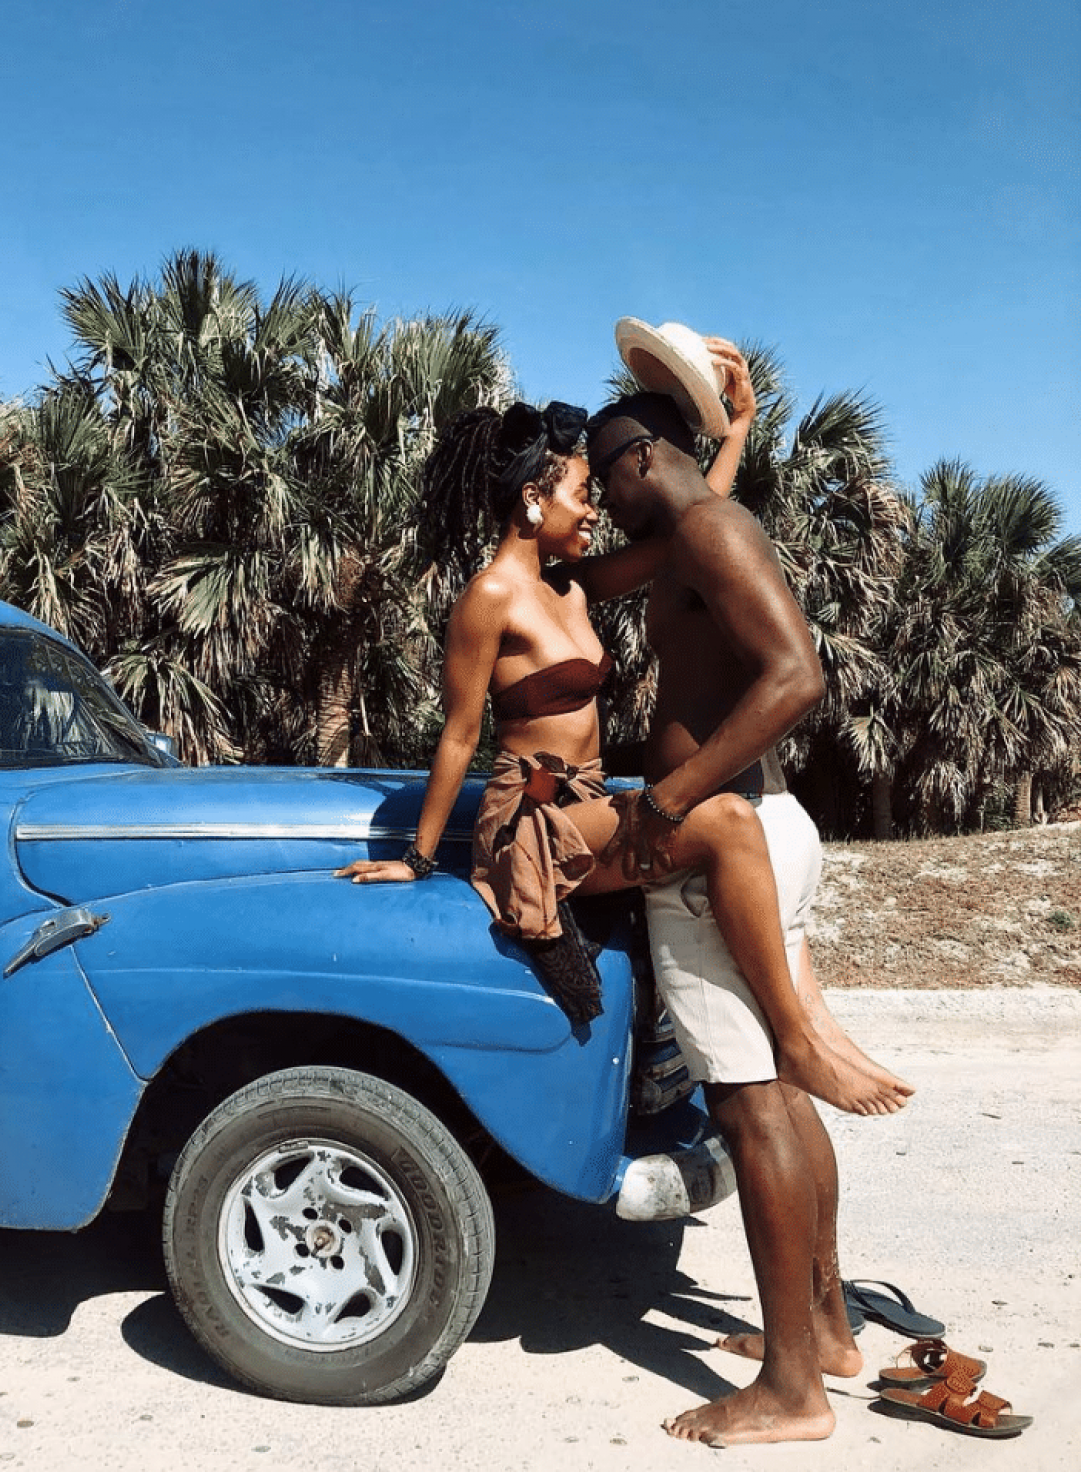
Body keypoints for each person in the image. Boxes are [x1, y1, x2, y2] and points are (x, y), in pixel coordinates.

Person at [335, 342, 910, 1119]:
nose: (595, 509)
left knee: (716, 822)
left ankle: (812, 1034)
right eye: (581, 493)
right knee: (726, 821)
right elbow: (459, 735)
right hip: (531, 822)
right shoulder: (489, 598)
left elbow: (691, 526)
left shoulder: (572, 587)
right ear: (534, 499)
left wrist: (738, 430)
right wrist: (418, 858)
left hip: (587, 803)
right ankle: (796, 1035)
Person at [581, 386, 881, 1445]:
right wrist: (737, 432)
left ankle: (791, 1391)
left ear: (637, 459)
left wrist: (666, 800)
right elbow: (688, 510)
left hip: (722, 843)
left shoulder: (704, 530)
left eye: (601, 478)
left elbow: (795, 676)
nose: (599, 504)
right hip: (758, 827)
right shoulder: (696, 527)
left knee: (751, 1107)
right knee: (782, 1095)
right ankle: (825, 1333)